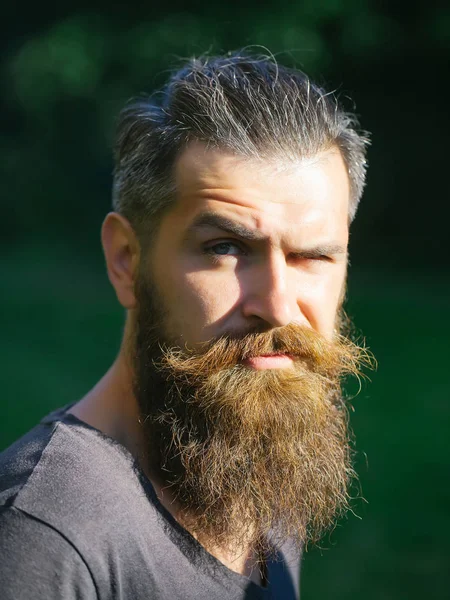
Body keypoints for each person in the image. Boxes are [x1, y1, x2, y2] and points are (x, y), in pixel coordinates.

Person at [0, 52, 370, 599]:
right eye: (226, 248)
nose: (278, 305)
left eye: (312, 256)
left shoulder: (253, 454)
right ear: (127, 257)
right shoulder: (43, 540)